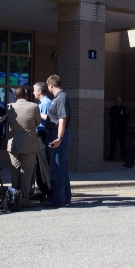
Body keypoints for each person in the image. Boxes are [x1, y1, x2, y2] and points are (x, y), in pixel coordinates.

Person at [6, 87, 40, 207]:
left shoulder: (9, 107)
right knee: (26, 172)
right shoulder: (34, 106)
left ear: (15, 96)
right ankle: (25, 199)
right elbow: (38, 122)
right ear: (26, 96)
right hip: (28, 143)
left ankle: (14, 196)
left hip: (13, 143)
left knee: (15, 171)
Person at [45, 74, 72, 207]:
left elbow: (62, 119)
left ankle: (58, 200)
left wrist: (59, 138)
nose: (48, 89)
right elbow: (56, 118)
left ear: (51, 85)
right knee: (61, 168)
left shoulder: (61, 98)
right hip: (57, 133)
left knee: (57, 168)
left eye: (48, 86)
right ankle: (65, 198)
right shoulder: (60, 98)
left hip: (57, 135)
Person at [108, 96, 130, 161]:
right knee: (112, 143)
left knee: (122, 143)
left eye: (118, 101)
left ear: (121, 102)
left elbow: (127, 117)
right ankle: (111, 156)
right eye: (116, 100)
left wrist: (124, 124)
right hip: (114, 128)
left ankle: (124, 156)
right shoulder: (113, 108)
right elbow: (110, 117)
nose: (117, 102)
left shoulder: (123, 109)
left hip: (121, 129)